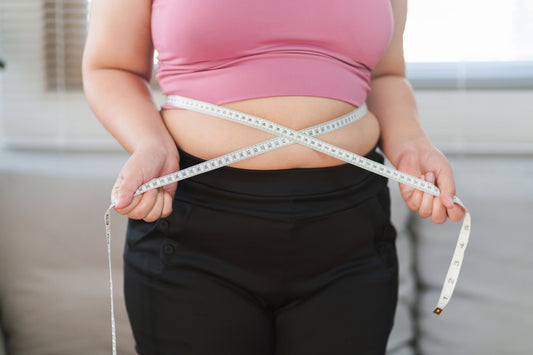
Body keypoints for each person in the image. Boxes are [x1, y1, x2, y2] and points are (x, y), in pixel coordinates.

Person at [83, 0, 465, 354]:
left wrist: (413, 146)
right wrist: (150, 144)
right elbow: (111, 66)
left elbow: (386, 75)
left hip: (350, 228)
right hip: (192, 220)